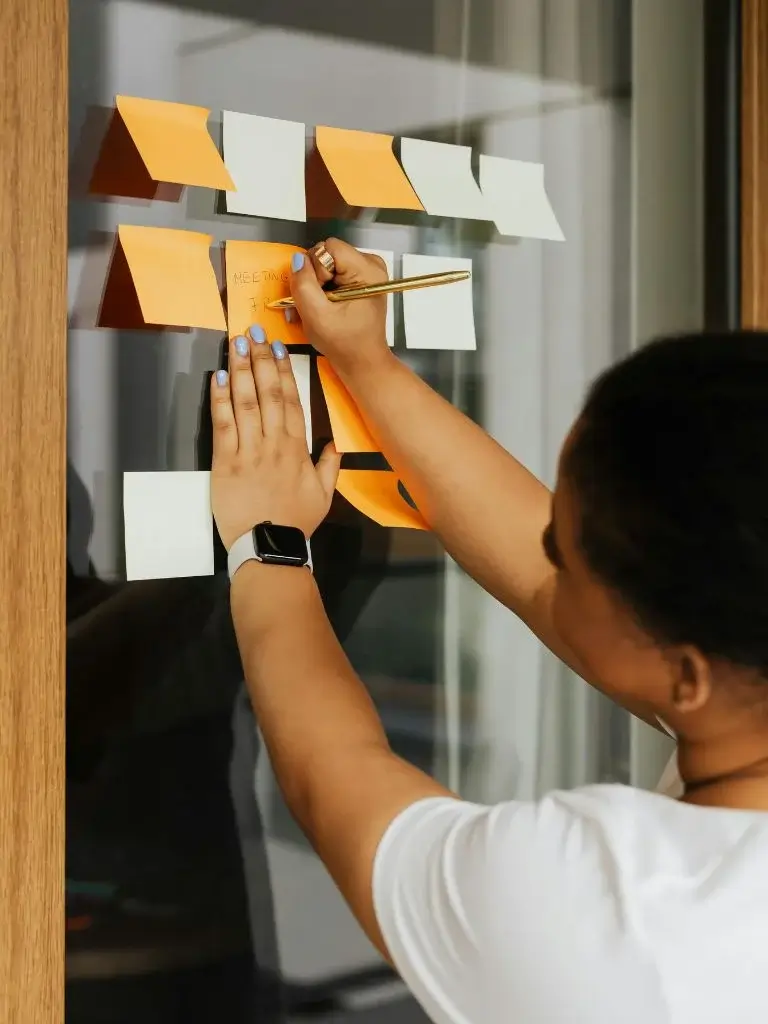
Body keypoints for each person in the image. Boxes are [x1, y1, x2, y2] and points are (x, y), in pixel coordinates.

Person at [209, 240, 768, 1023]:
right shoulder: (741, 678)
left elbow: (335, 779)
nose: (543, 547)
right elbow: (547, 580)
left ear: (687, 674)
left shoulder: (620, 921)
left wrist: (267, 541)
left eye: (568, 553)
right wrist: (368, 366)